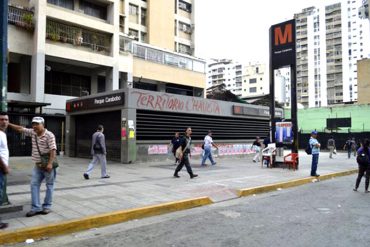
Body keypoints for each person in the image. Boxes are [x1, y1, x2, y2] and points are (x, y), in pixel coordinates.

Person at [8, 117, 57, 217]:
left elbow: (53, 150)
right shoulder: (33, 132)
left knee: (49, 185)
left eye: (37, 124)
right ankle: (36, 207)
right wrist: (8, 123)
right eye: (33, 124)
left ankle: (47, 206)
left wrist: (50, 164)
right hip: (38, 165)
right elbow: (20, 129)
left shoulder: (49, 135)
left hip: (48, 165)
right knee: (34, 185)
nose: (34, 126)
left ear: (43, 124)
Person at [0, 113, 9, 229]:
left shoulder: (3, 133)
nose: (4, 122)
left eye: (6, 119)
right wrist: (4, 166)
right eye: (1, 119)